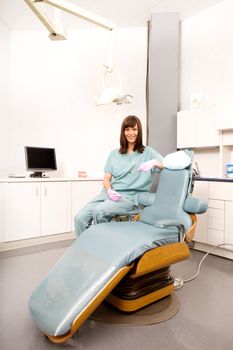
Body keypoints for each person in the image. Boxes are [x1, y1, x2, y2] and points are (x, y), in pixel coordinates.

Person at [74, 115, 163, 237]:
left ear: (139, 131)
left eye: (134, 129)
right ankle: (85, 248)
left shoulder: (148, 152)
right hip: (108, 194)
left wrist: (154, 163)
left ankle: (104, 246)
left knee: (100, 211)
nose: (131, 133)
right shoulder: (114, 154)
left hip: (129, 197)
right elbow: (106, 178)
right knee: (79, 218)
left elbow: (167, 164)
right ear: (123, 132)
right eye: (127, 129)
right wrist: (109, 190)